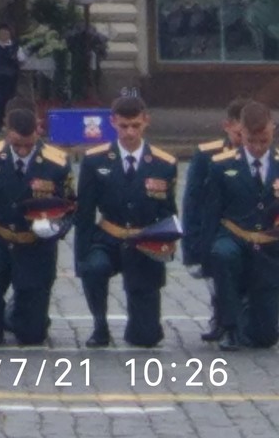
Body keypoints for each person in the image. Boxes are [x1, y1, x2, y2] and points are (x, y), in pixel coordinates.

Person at [74, 94, 178, 348]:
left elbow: (168, 212)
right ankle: (100, 325)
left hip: (144, 241)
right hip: (109, 235)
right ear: (113, 123)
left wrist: (166, 246)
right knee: (95, 268)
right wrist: (82, 257)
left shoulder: (165, 164)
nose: (130, 132)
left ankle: (144, 323)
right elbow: (85, 213)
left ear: (146, 122)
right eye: (124, 126)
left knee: (145, 338)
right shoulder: (94, 160)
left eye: (135, 126)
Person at [0, 106, 73, 346]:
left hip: (35, 244)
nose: (23, 150)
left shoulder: (56, 163)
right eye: (17, 145)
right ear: (7, 132)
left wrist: (56, 228)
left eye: (29, 144)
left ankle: (17, 311)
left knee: (32, 335)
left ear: (38, 133)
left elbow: (71, 206)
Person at [200, 100, 279, 350]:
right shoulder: (222, 165)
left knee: (264, 338)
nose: (257, 147)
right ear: (240, 132)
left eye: (263, 140)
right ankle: (229, 326)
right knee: (223, 255)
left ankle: (253, 320)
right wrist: (204, 253)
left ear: (273, 129)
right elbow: (210, 212)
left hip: (269, 244)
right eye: (251, 140)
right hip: (234, 236)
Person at [183, 98, 246, 343]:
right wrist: (192, 247)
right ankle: (220, 317)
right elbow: (193, 203)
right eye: (239, 133)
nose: (243, 139)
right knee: (220, 280)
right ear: (227, 126)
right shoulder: (206, 155)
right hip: (215, 232)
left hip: (251, 232)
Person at [0, 25, 27, 128]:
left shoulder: (16, 47)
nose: (4, 35)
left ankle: (8, 124)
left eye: (6, 33)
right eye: (2, 33)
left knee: (9, 101)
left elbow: (22, 60)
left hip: (10, 79)